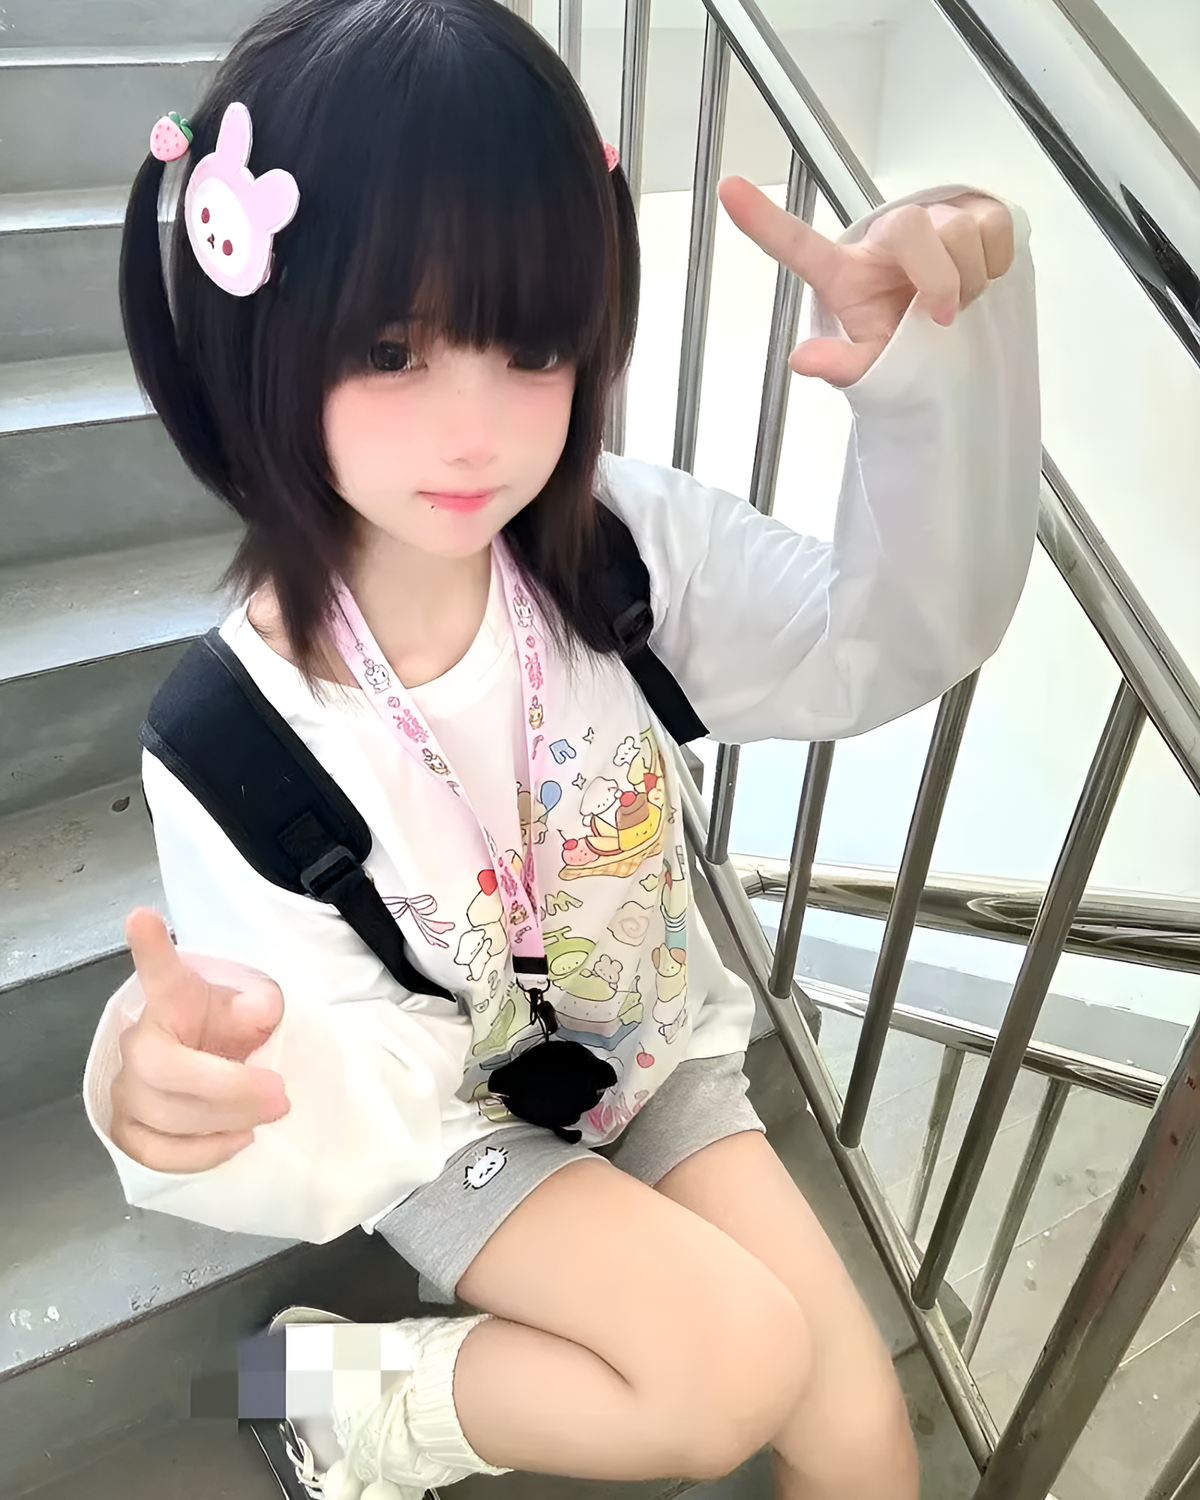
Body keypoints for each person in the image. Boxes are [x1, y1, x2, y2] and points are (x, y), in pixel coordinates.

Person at [81, 0, 1039, 1495]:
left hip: (647, 1055)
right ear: (257, 339)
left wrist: (933, 382)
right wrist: (167, 1087)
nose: (477, 429)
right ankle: (329, 1390)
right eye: (391, 348)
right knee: (732, 1369)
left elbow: (886, 637)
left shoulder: (616, 551)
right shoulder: (235, 738)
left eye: (530, 347)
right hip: (446, 1121)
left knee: (868, 1455)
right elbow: (313, 1066)